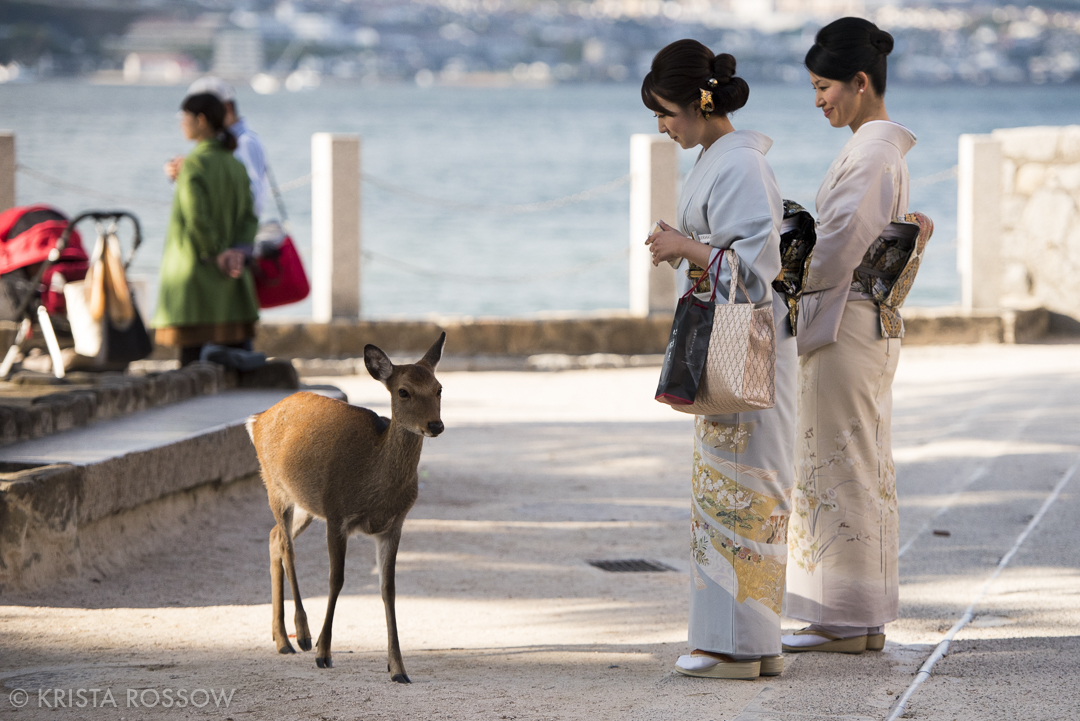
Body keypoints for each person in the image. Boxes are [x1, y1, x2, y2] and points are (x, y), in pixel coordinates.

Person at [643, 39, 796, 679]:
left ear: (700, 104)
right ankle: (749, 642)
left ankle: (734, 645)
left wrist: (686, 246)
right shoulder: (725, 160)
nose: (663, 126)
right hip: (735, 337)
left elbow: (757, 272)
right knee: (730, 487)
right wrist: (690, 248)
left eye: (668, 113)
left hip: (745, 341)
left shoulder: (737, 168)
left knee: (739, 488)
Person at [782, 17, 916, 654]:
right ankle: (856, 617)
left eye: (823, 86)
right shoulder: (878, 150)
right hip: (863, 322)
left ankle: (842, 619)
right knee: (854, 464)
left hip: (843, 326)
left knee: (839, 465)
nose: (818, 100)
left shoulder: (869, 153)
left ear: (860, 82)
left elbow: (835, 251)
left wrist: (786, 282)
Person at [152, 93, 259, 365]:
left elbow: (197, 218)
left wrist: (218, 252)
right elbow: (250, 216)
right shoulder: (236, 165)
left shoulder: (192, 165)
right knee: (237, 368)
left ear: (200, 120)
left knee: (190, 372)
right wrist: (236, 252)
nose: (181, 124)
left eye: (184, 118)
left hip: (196, 278)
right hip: (232, 282)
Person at [165, 77, 271, 219]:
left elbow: (250, 200)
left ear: (225, 108)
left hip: (232, 236)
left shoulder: (245, 142)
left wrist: (196, 170)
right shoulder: (218, 143)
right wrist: (183, 174)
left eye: (201, 113)